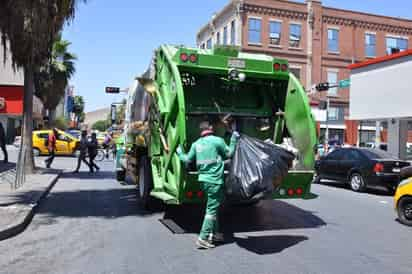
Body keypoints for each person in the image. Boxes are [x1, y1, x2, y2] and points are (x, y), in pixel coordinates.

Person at [176, 121, 239, 249]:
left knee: (213, 206)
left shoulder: (196, 144)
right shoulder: (217, 141)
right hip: (214, 180)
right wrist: (233, 139)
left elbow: (188, 159)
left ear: (201, 131)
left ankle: (215, 233)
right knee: (211, 210)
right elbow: (229, 154)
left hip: (203, 180)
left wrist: (179, 153)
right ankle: (203, 238)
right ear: (211, 128)